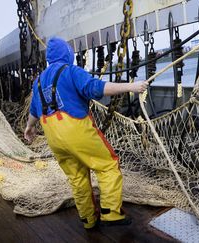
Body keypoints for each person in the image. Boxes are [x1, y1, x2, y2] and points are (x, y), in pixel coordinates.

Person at [24, 37, 148, 229]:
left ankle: (88, 220)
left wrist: (29, 128)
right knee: (108, 165)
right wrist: (131, 86)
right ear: (67, 54)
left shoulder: (38, 82)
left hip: (53, 135)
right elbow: (97, 88)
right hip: (75, 128)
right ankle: (110, 213)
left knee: (77, 177)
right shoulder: (71, 71)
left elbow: (34, 111)